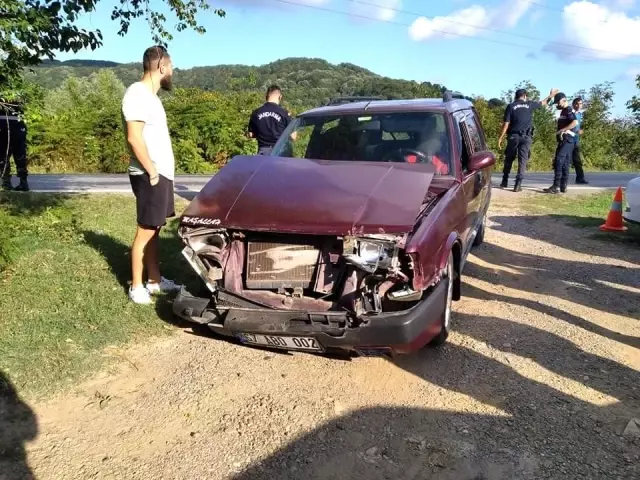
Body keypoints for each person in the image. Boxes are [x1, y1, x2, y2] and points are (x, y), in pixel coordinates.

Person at [121, 45, 182, 304]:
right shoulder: (137, 93)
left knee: (154, 228)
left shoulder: (152, 97)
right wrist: (152, 171)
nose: (172, 71)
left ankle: (154, 281)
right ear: (161, 67)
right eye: (171, 66)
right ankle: (136, 287)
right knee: (145, 229)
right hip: (150, 175)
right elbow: (133, 138)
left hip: (158, 174)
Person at [498, 88, 558, 192]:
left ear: (516, 96)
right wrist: (551, 95)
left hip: (513, 136)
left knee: (509, 158)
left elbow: (506, 124)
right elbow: (543, 103)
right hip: (526, 137)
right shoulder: (530, 104)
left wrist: (500, 137)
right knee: (522, 161)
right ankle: (518, 184)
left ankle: (504, 181)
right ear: (525, 96)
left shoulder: (511, 106)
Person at [544, 92, 578, 194]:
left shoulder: (568, 110)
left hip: (567, 139)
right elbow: (548, 105)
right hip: (564, 140)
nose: (557, 105)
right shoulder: (563, 111)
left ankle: (556, 186)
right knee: (565, 164)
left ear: (564, 100)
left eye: (558, 102)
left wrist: (562, 130)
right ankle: (563, 186)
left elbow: (575, 122)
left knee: (558, 160)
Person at [247, 85, 291, 155]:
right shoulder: (284, 113)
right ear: (280, 97)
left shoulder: (256, 112)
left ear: (266, 96)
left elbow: (250, 134)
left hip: (263, 152)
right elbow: (293, 136)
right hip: (281, 151)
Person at [0, 97, 29, 191]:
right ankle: (9, 181)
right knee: (5, 154)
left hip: (11, 122)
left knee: (7, 153)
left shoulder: (16, 90)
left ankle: (17, 182)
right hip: (12, 122)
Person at [571, 97, 588, 184]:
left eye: (580, 103)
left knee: (577, 160)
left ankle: (580, 178)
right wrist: (575, 131)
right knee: (563, 160)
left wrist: (580, 130)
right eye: (577, 103)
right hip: (568, 140)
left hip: (576, 140)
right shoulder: (570, 113)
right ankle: (559, 180)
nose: (579, 105)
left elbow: (579, 126)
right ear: (573, 104)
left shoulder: (580, 115)